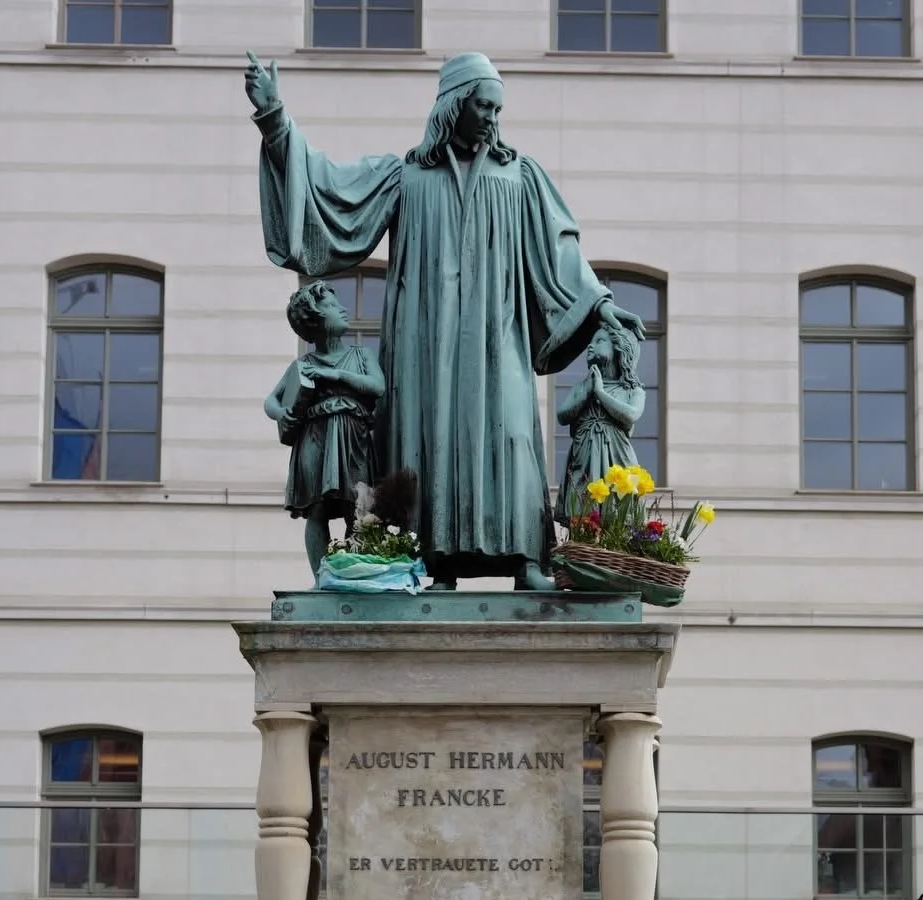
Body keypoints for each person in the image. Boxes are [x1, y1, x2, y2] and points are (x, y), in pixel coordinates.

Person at [244, 49, 646, 591]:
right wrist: (275, 121)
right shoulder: (405, 177)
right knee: (425, 439)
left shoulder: (519, 175)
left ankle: (526, 559)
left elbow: (561, 250)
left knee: (511, 433)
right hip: (423, 343)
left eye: (498, 109)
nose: (492, 118)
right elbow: (330, 194)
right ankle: (431, 562)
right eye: (484, 106)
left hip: (498, 335)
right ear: (455, 105)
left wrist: (598, 303)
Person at [264, 280, 384, 584]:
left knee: (358, 507)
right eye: (331, 305)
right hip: (315, 437)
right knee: (316, 510)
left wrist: (336, 374)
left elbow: (377, 386)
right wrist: (281, 414)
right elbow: (271, 401)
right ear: (314, 320)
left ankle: (353, 576)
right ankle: (322, 580)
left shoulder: (361, 356)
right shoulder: (303, 364)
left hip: (353, 437)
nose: (343, 309)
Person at [556, 325, 645, 509]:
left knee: (619, 509)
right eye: (591, 341)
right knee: (581, 508)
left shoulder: (632, 390)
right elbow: (562, 416)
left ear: (619, 348)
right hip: (584, 458)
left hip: (618, 459)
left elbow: (631, 414)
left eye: (599, 341)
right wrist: (587, 391)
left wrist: (600, 393)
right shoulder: (581, 388)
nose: (590, 345)